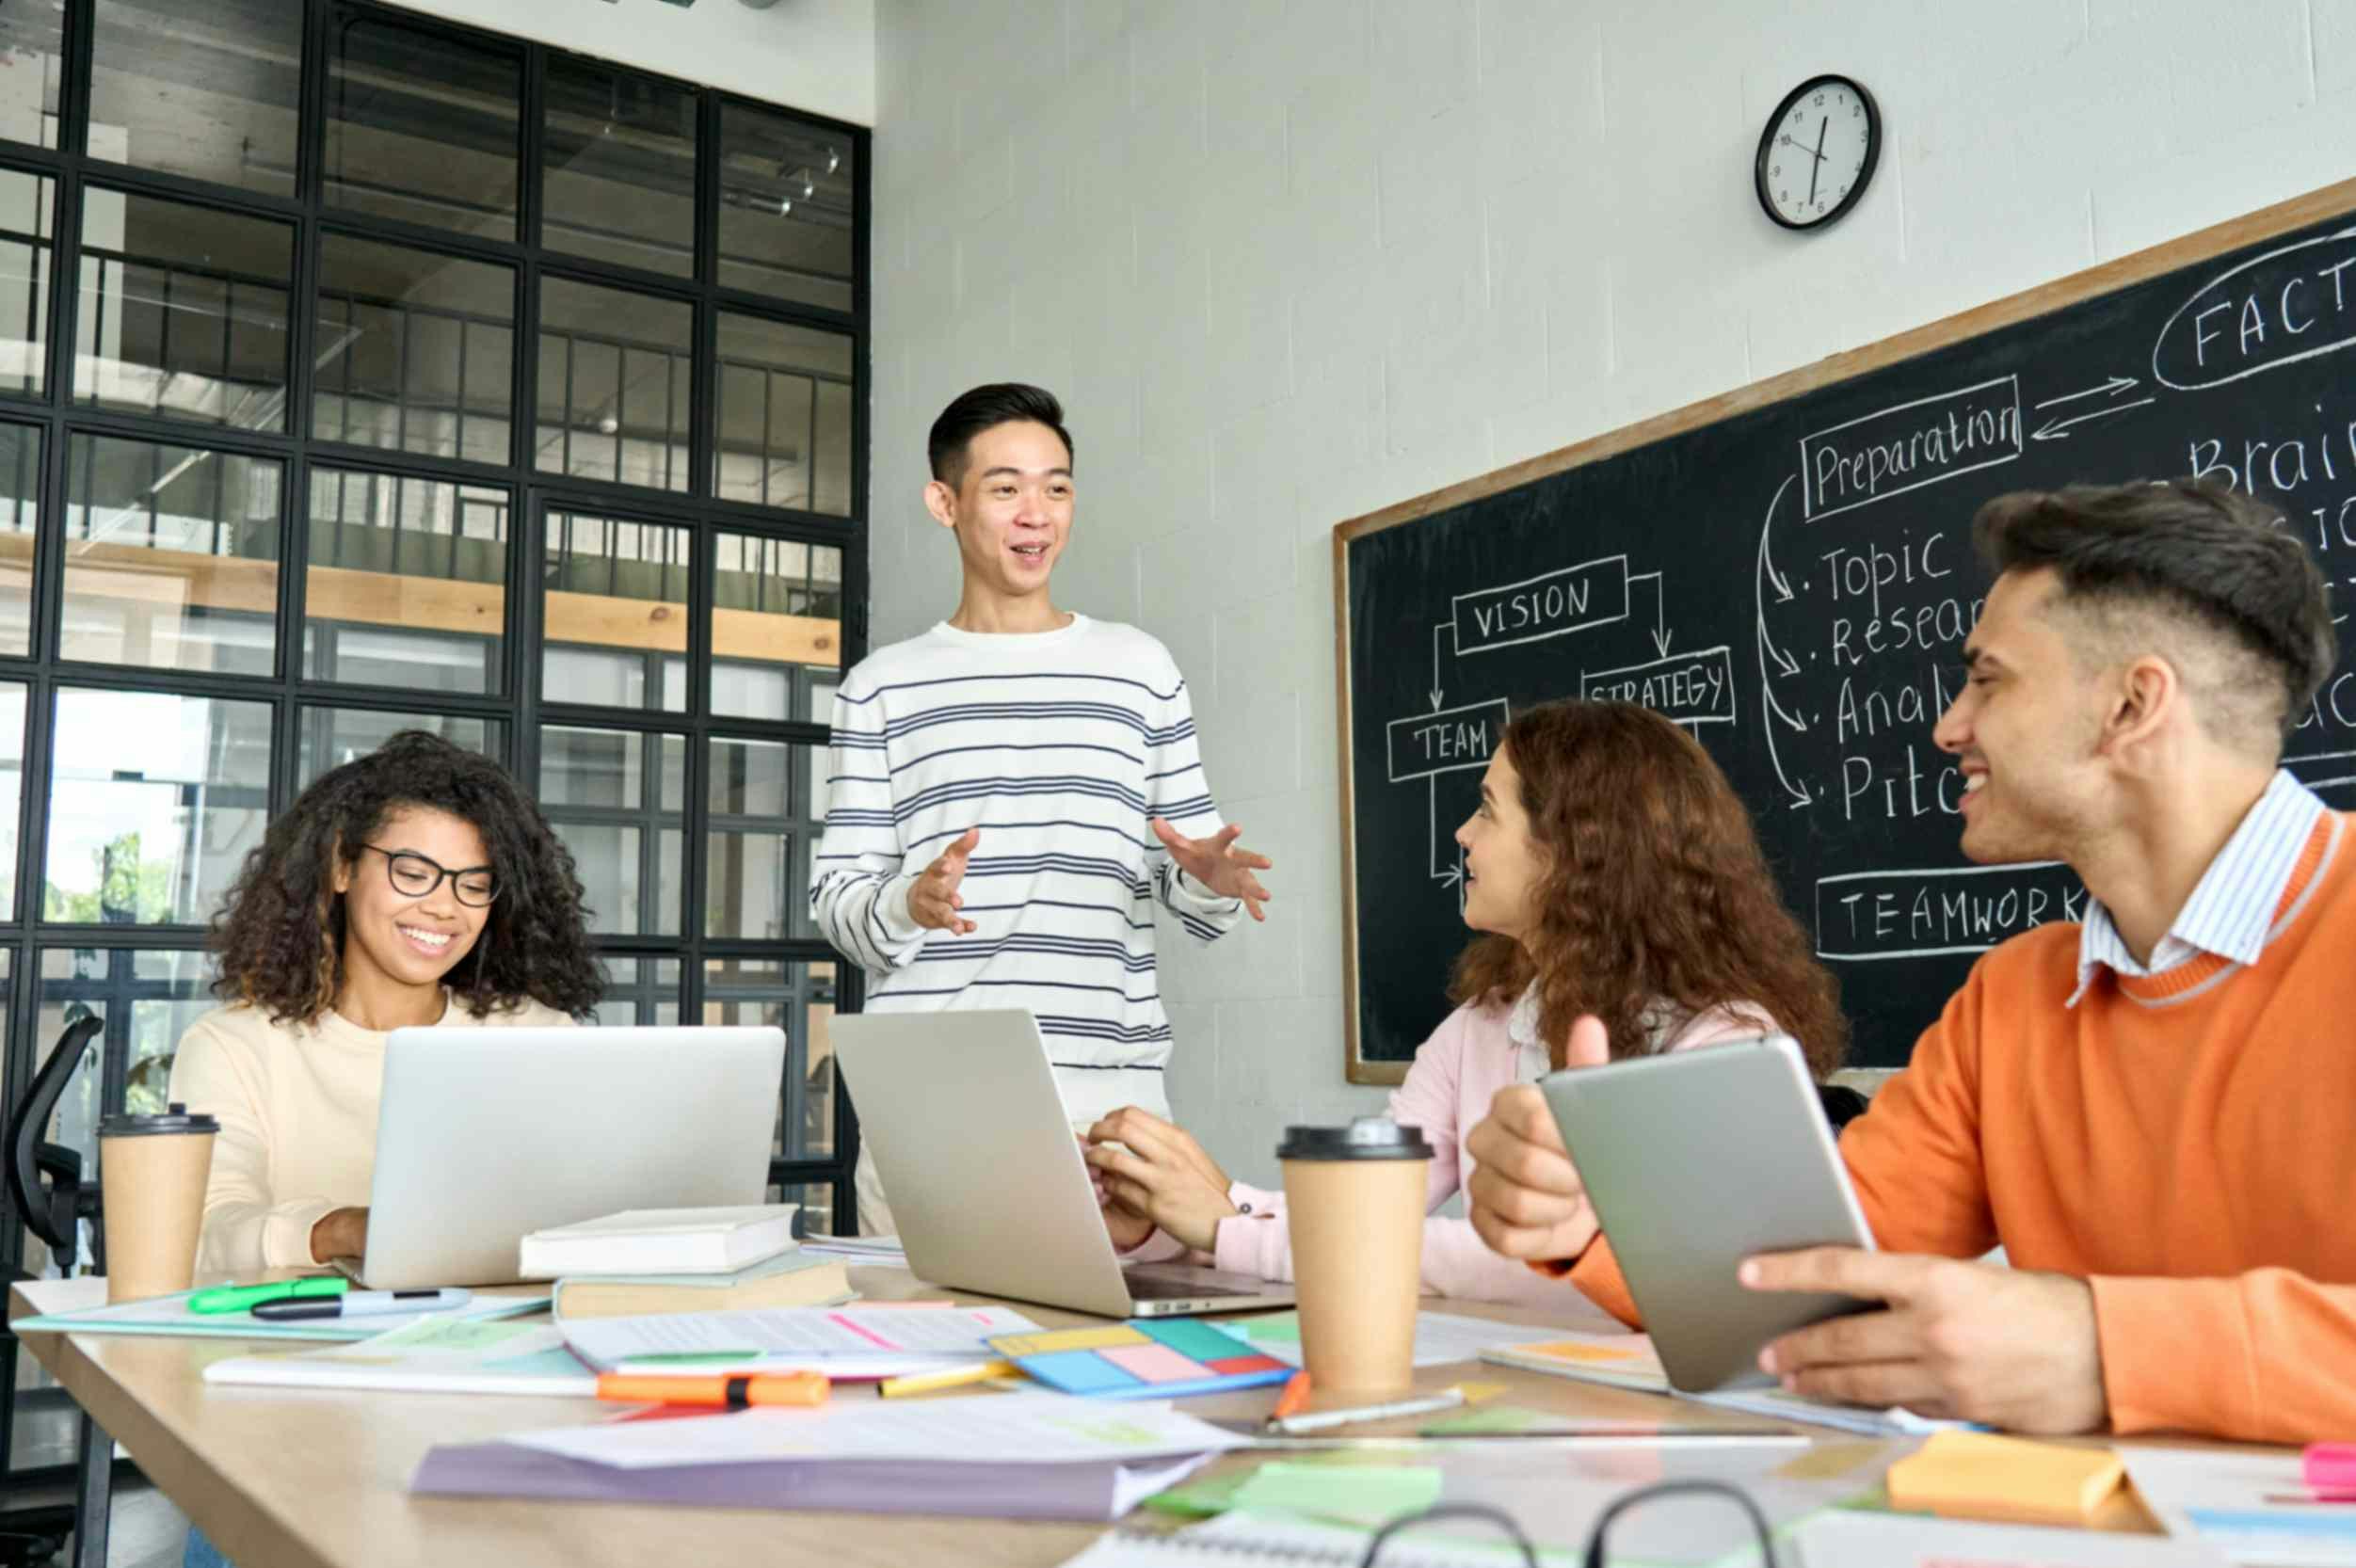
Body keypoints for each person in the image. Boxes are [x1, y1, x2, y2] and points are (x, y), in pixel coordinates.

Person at [1466, 479, 2356, 1443]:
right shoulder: (2012, 998)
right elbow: (1803, 1281)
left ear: (2132, 704)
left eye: (1988, 678)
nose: (1947, 726)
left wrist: (2107, 1350)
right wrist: (1591, 1216)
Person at [1082, 699, 1847, 1307]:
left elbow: (1548, 1262)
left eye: (1486, 810)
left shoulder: (1725, 1042)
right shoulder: (1480, 1024)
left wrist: (1222, 1225)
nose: (1459, 834)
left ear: (1575, 847)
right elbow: (1368, 1211)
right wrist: (1166, 1219)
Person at [809, 383, 1274, 1236]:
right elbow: (837, 905)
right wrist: (907, 901)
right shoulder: (880, 688)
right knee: (930, 1357)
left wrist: (1204, 876)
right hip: (936, 1093)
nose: (1037, 513)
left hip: (1111, 1096)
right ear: (944, 502)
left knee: (1114, 1360)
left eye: (1056, 487)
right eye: (1006, 487)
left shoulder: (1140, 668)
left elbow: (1199, 902)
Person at [168, 731, 603, 1276]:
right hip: (292, 1349)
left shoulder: (539, 1037)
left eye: (473, 885)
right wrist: (345, 1230)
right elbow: (205, 1233)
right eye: (414, 874)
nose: (444, 907)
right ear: (341, 868)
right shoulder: (234, 1047)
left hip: (498, 1342)